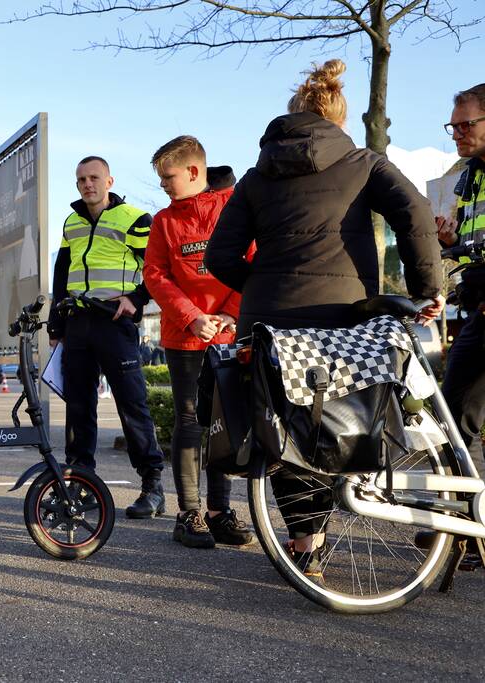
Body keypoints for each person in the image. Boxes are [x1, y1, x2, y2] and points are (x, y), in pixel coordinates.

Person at [205, 59, 443, 575]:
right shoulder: (363, 162)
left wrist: (267, 286)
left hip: (269, 321)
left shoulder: (255, 177)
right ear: (338, 117)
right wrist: (429, 289)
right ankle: (366, 497)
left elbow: (219, 257)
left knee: (285, 425)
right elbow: (416, 215)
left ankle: (305, 542)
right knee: (345, 412)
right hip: (344, 317)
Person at [144, 135, 255, 549]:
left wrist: (229, 314)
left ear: (194, 172)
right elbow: (155, 275)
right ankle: (189, 513)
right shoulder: (164, 221)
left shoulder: (232, 208)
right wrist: (191, 318)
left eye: (168, 177)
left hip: (228, 333)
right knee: (190, 421)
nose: (163, 186)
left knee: (224, 424)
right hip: (183, 337)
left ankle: (218, 511)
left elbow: (252, 261)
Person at [47, 156, 166, 519]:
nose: (87, 184)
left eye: (94, 177)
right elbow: (61, 273)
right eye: (81, 179)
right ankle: (81, 485)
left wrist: (137, 299)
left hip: (114, 325)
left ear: (109, 180)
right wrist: (56, 327)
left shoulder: (134, 219)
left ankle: (153, 488)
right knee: (78, 409)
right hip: (77, 326)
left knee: (132, 406)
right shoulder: (72, 221)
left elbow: (157, 267)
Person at [436, 83, 485, 474]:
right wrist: (452, 240)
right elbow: (475, 244)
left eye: (465, 125)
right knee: (452, 416)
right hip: (478, 308)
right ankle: (461, 526)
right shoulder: (469, 177)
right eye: (452, 127)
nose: (457, 134)